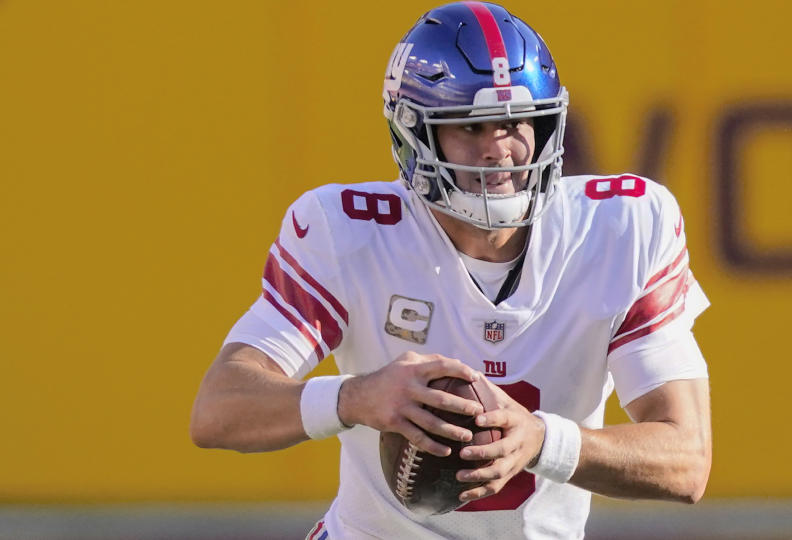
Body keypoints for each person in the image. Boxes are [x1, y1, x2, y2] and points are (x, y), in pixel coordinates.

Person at [190, 2, 712, 539]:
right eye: (470, 127)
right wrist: (355, 398)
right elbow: (221, 407)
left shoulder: (620, 228)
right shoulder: (349, 232)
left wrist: (539, 440)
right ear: (413, 136)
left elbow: (686, 459)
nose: (499, 151)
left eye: (515, 123)